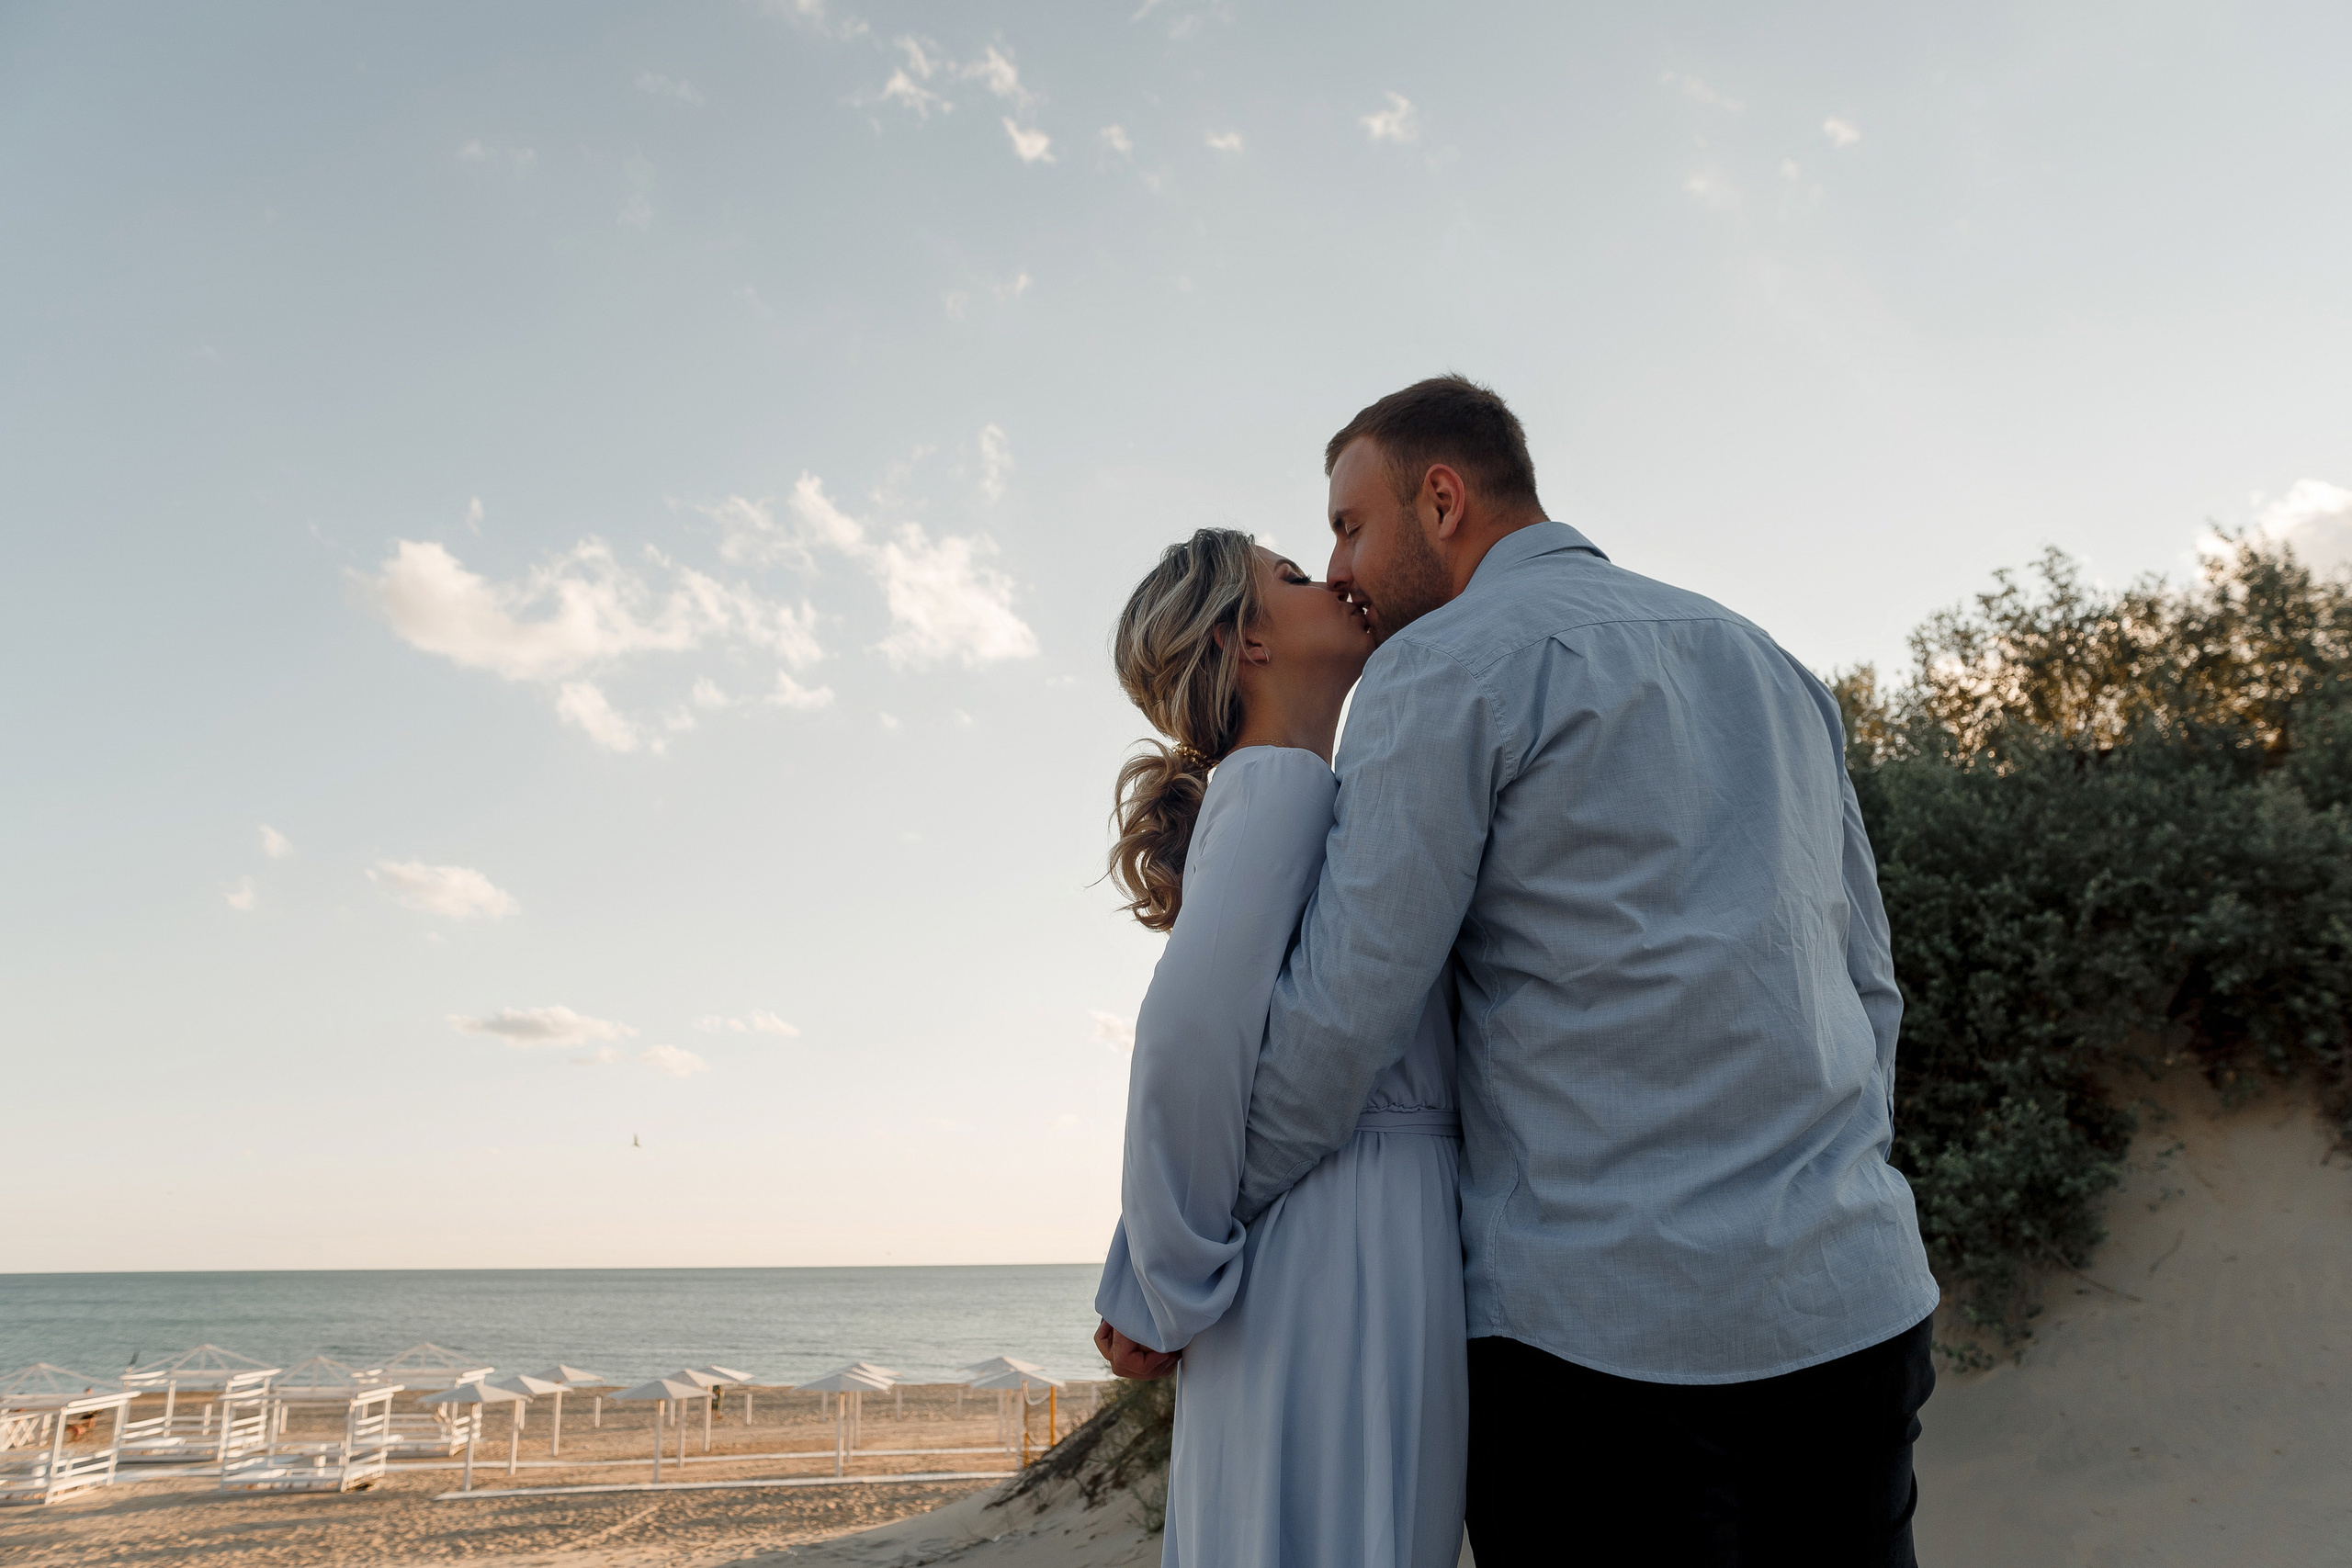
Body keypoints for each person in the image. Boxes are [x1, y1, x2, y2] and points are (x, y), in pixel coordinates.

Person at [1235, 376, 1942, 1565]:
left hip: (1599, 1347)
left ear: (1442, 499)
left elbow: (1345, 1013)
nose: (1340, 567)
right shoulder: (1767, 661)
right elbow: (1867, 984)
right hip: (1851, 1306)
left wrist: (1197, 1227)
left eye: (1350, 526)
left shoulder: (1441, 667)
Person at [1092, 528, 1469, 1568]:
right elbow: (1185, 1040)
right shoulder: (1280, 787)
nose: (1335, 580)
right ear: (1243, 641)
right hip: (1341, 1242)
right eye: (1294, 578)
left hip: (1339, 1230)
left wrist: (1157, 1263)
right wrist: (1166, 1277)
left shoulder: (1303, 788)